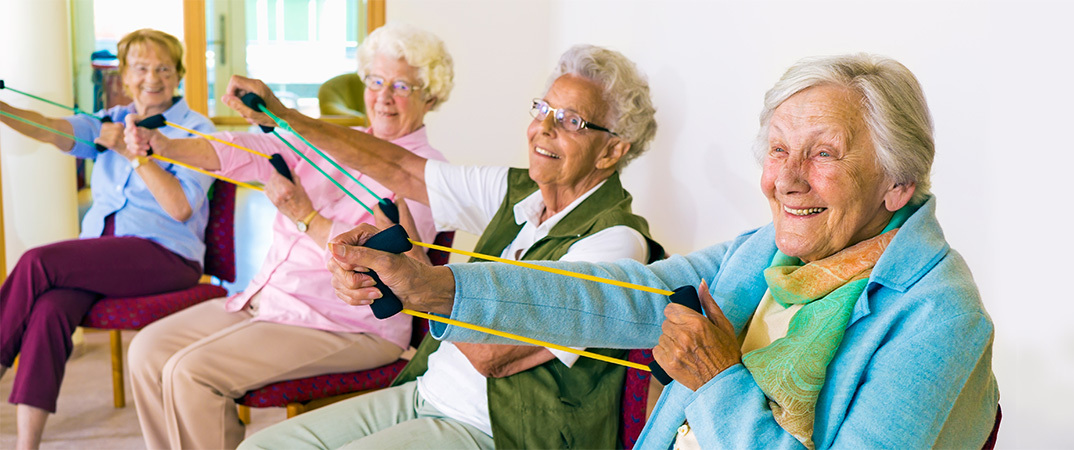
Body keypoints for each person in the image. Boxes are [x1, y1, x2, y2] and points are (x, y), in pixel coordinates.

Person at [324, 54, 1000, 449]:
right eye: (778, 149)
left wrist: (719, 382)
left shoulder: (939, 317)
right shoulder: (767, 251)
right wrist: (435, 289)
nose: (786, 178)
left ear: (898, 181)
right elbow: (614, 296)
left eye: (824, 153)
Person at [236, 44, 664, 449]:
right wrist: (286, 117)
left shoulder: (614, 243)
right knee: (260, 444)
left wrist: (418, 277)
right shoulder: (519, 190)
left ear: (612, 150)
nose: (543, 128)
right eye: (542, 108)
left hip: (501, 428)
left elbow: (493, 355)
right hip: (425, 393)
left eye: (571, 120)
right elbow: (397, 165)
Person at [120, 22, 451, 450]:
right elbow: (244, 151)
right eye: (375, 80)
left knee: (189, 371)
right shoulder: (339, 141)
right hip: (271, 300)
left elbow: (382, 263)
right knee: (147, 351)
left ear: (431, 94)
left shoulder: (427, 172)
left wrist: (304, 215)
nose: (384, 96)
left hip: (347, 325)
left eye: (402, 85)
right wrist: (163, 147)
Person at [0, 29, 214, 450]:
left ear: (178, 76)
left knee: (37, 262)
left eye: (163, 69)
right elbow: (46, 128)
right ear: (124, 75)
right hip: (105, 257)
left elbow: (181, 208)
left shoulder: (195, 129)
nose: (153, 77)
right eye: (141, 68)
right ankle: (26, 445)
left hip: (167, 255)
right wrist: (2, 108)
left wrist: (136, 154)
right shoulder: (109, 121)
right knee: (49, 308)